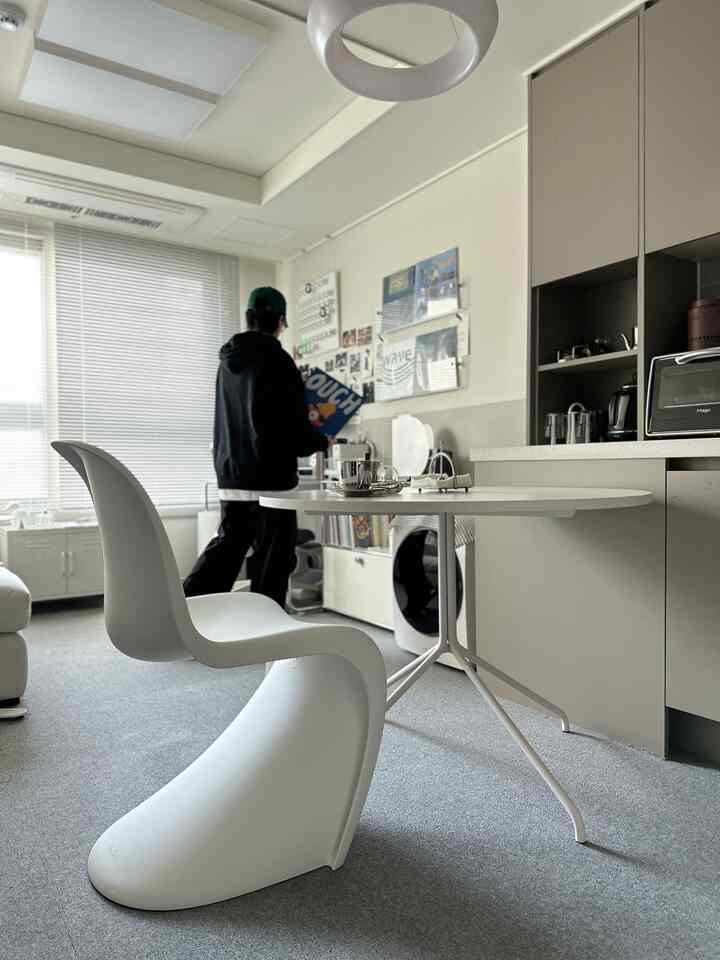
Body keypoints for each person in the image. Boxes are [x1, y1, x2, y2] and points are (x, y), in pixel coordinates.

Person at [183, 287, 330, 607]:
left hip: (232, 475)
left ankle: (183, 611)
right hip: (271, 481)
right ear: (280, 321)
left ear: (249, 318)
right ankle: (266, 628)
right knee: (272, 563)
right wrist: (322, 439)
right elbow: (296, 433)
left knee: (226, 551)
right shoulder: (280, 362)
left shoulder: (226, 363)